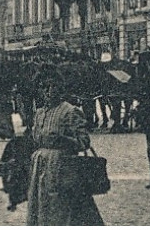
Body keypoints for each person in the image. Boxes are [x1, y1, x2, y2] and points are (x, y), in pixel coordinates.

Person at [25, 71, 103, 226]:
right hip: (40, 167)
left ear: (60, 89)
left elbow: (84, 141)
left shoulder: (70, 111)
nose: (47, 92)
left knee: (61, 207)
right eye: (43, 88)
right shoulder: (39, 113)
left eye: (51, 87)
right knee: (41, 205)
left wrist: (64, 140)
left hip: (62, 167)